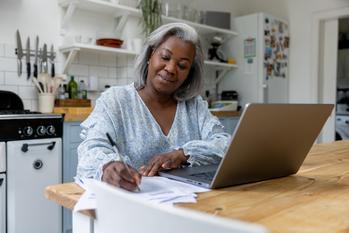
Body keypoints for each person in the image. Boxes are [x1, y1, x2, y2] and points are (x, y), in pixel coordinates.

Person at [76, 23, 231, 191]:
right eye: (165, 57)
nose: (171, 69)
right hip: (132, 205)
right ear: (150, 54)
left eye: (182, 65)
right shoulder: (116, 100)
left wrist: (183, 154)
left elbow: (225, 144)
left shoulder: (194, 106)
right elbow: (90, 149)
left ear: (189, 73)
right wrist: (107, 166)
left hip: (187, 207)